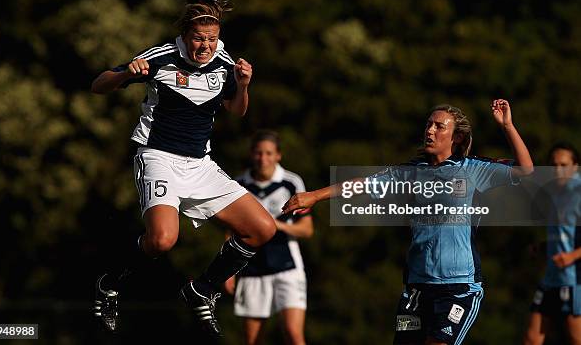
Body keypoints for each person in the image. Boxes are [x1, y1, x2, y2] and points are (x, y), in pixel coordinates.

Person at [90, 0, 276, 338]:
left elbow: (237, 112)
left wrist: (243, 87)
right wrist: (127, 72)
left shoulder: (224, 63)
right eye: (199, 39)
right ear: (185, 35)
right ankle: (108, 284)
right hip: (158, 158)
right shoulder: (161, 57)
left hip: (200, 165)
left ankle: (202, 290)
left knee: (262, 228)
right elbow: (99, 85)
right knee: (162, 240)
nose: (206, 46)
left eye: (212, 39)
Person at [283, 100, 534, 345]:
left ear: (456, 138)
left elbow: (526, 170)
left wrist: (507, 126)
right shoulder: (410, 172)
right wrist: (315, 195)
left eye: (439, 127)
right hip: (417, 288)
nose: (430, 131)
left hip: (458, 287)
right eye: (428, 125)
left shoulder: (472, 169)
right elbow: (362, 184)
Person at [224, 130, 313, 345]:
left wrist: (275, 226)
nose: (263, 159)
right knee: (253, 340)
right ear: (251, 154)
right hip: (251, 270)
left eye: (268, 153)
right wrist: (227, 270)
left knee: (293, 334)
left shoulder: (291, 183)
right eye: (258, 153)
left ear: (278, 155)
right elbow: (230, 231)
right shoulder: (238, 185)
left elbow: (307, 230)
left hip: (288, 267)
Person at [524, 143, 581, 345]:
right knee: (532, 339)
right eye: (553, 165)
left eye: (563, 165)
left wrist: (572, 256)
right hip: (551, 278)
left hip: (574, 280)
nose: (557, 170)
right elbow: (564, 237)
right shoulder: (555, 194)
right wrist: (543, 247)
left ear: (575, 166)